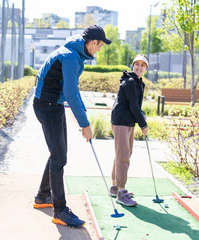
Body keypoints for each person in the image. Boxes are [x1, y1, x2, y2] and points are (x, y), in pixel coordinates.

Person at [32, 25, 111, 228]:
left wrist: (83, 114)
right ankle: (60, 210)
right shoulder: (69, 57)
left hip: (52, 104)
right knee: (59, 156)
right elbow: (70, 92)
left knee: (58, 153)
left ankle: (42, 197)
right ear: (93, 42)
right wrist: (84, 124)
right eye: (100, 45)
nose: (100, 49)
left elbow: (72, 90)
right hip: (47, 105)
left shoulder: (76, 54)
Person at [109, 54, 149, 207]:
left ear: (146, 68)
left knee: (123, 154)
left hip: (128, 122)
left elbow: (136, 106)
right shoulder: (130, 82)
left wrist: (141, 117)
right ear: (133, 65)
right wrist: (143, 125)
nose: (139, 67)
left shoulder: (139, 83)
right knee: (123, 155)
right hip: (121, 121)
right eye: (136, 64)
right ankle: (121, 192)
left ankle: (114, 187)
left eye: (142, 65)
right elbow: (133, 106)